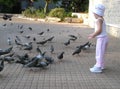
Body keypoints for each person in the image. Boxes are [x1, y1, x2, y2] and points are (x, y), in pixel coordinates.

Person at [88, 4, 108, 73]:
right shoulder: (102, 19)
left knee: (99, 53)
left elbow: (99, 30)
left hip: (101, 39)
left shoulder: (98, 20)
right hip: (104, 38)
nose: (94, 15)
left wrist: (93, 35)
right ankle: (101, 65)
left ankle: (98, 67)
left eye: (94, 13)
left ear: (97, 13)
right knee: (102, 52)